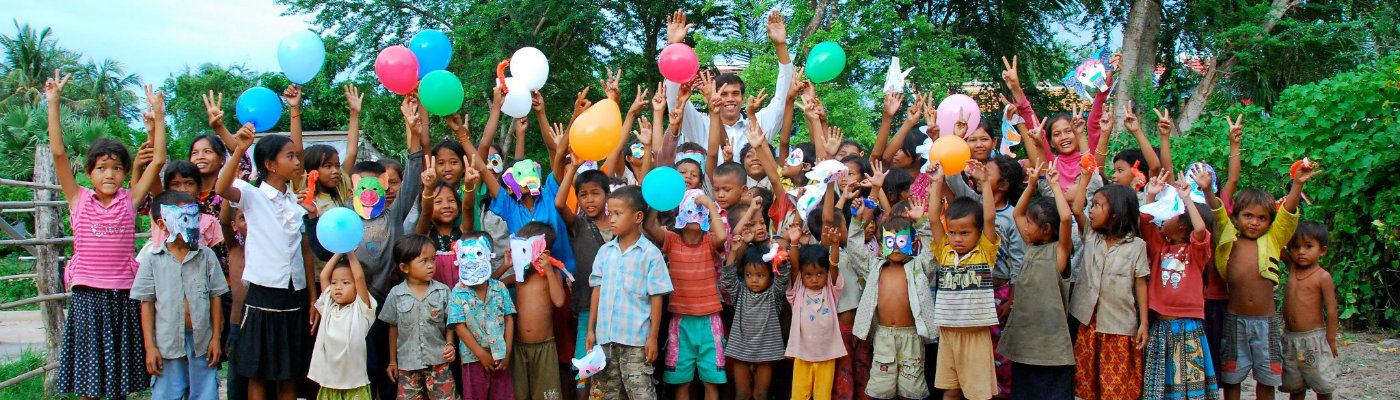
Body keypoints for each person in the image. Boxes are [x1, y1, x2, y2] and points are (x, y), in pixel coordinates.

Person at [48, 74, 164, 399]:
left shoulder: (131, 199)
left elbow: (157, 160)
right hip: (87, 299)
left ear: (125, 174)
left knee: (119, 382)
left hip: (123, 297)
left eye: (116, 168)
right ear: (89, 173)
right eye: (101, 168)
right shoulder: (78, 199)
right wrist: (54, 102)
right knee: (89, 382)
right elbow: (58, 153)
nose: (109, 174)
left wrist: (157, 121)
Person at [1201, 120, 1319, 400]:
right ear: (1238, 218)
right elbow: (1218, 211)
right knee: (1232, 377)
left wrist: (1296, 184)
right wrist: (1207, 190)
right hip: (1234, 319)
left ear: (1270, 221)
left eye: (1262, 218)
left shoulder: (1273, 240)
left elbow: (1288, 213)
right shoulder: (1229, 239)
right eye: (1248, 216)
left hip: (1266, 322)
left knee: (1266, 378)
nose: (1254, 223)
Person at [217, 121, 317, 400]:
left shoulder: (296, 204)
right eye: (290, 156)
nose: (297, 161)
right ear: (271, 165)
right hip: (263, 296)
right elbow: (222, 187)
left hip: (294, 296)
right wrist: (239, 150)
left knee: (288, 374)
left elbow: (305, 252)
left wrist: (311, 297)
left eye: (297, 156)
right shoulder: (253, 195)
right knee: (258, 373)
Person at [132, 190, 231, 400]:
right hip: (167, 344)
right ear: (162, 223)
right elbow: (147, 304)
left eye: (195, 216)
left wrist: (216, 338)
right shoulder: (152, 260)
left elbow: (216, 298)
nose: (192, 223)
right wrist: (150, 347)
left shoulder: (206, 257)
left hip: (202, 343)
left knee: (205, 393)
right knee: (167, 393)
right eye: (184, 217)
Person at [663, 10, 794, 163]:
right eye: (723, 94)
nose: (730, 99)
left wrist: (780, 45)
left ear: (743, 98)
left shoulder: (757, 125)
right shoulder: (701, 126)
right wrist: (674, 46)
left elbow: (782, 99)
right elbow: (674, 102)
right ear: (714, 95)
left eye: (735, 93)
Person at [586, 186, 674, 400]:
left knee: (641, 394)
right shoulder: (605, 252)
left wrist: (653, 338)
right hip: (605, 341)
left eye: (618, 213)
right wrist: (591, 330)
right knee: (606, 394)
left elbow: (657, 297)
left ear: (637, 217)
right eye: (610, 213)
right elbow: (597, 291)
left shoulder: (650, 254)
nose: (611, 219)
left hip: (636, 342)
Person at [925, 162, 1002, 400]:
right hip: (948, 331)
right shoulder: (944, 252)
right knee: (950, 390)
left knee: (979, 394)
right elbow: (934, 220)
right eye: (953, 232)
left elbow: (989, 217)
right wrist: (937, 181)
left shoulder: (984, 253)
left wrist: (985, 183)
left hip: (975, 332)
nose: (957, 239)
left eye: (965, 233)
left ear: (978, 232)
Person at [1140, 172, 1220, 400]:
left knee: (1188, 386)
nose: (1162, 219)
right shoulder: (1159, 247)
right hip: (1160, 327)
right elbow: (1145, 220)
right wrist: (1151, 195)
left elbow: (1201, 232)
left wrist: (1186, 200)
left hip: (1187, 327)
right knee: (1159, 389)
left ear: (1184, 226)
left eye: (1169, 214)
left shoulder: (1196, 252)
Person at [999, 165, 1075, 400]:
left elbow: (1065, 218)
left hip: (1051, 344)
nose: (1025, 227)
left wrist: (1054, 185)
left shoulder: (1060, 252)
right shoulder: (1032, 247)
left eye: (1031, 223)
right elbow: (1017, 214)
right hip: (1025, 340)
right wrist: (1031, 184)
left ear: (1046, 229)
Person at [1069, 183, 1149, 400]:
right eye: (1092, 205)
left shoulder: (1137, 246)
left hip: (1119, 325)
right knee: (1087, 383)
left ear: (1116, 211)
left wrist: (1144, 322)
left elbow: (1141, 283)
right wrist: (1085, 176)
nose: (1091, 210)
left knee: (1116, 387)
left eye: (1097, 205)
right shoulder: (1092, 237)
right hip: (1089, 322)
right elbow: (1076, 209)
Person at [721, 199, 790, 400]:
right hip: (741, 347)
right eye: (750, 275)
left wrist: (778, 255)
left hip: (767, 348)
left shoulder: (774, 294)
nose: (754, 280)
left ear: (770, 276)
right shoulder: (740, 292)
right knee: (741, 393)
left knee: (761, 394)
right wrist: (734, 250)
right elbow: (727, 278)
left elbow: (782, 275)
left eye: (760, 276)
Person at [557, 166, 615, 397]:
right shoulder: (578, 225)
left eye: (595, 193)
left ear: (607, 195)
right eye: (583, 195)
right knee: (583, 369)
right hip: (585, 309)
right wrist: (570, 168)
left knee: (611, 369)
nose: (589, 200)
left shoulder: (618, 224)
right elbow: (560, 204)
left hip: (616, 309)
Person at [379, 235, 457, 399]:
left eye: (433, 259)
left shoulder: (443, 291)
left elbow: (450, 322)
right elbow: (393, 328)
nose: (431, 266)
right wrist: (393, 361)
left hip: (438, 361)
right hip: (408, 364)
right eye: (424, 261)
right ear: (405, 267)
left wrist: (450, 344)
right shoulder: (396, 294)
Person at [450, 231, 517, 400]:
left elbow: (509, 318)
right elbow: (459, 327)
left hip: (500, 358)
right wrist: (481, 354)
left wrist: (507, 353)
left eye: (478, 253)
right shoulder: (458, 292)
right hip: (473, 360)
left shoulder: (500, 288)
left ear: (490, 257)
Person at [505, 222, 568, 400]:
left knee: (546, 394)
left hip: (545, 347)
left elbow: (559, 301)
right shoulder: (519, 277)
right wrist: (505, 266)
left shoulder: (553, 275)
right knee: (520, 393)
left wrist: (548, 271)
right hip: (519, 346)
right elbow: (492, 286)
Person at [1280, 221, 1339, 400]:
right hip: (1291, 338)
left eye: (1308, 246)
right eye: (1296, 247)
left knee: (1320, 383)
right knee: (1295, 385)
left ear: (1323, 251)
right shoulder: (1292, 268)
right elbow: (1276, 241)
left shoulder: (1322, 276)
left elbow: (1332, 310)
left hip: (1312, 339)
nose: (1301, 252)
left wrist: (1330, 338)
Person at [308, 251, 376, 399]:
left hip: (354, 384)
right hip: (329, 382)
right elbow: (323, 276)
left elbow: (358, 277)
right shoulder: (328, 306)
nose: (338, 287)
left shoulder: (361, 309)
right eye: (334, 283)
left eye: (345, 283)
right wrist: (340, 251)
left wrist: (350, 252)